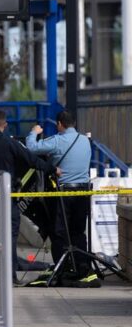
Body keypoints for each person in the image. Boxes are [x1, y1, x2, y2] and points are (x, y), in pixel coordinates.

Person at [0, 109, 59, 288]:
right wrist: (53, 169)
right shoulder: (11, 144)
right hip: (6, 195)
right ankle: (9, 274)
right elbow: (32, 160)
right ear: (5, 125)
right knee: (9, 237)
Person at [26, 110, 95, 286]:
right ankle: (81, 267)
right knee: (78, 231)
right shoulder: (85, 141)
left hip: (63, 192)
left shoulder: (57, 140)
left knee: (58, 232)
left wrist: (34, 132)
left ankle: (62, 267)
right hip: (83, 192)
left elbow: (31, 148)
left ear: (59, 124)